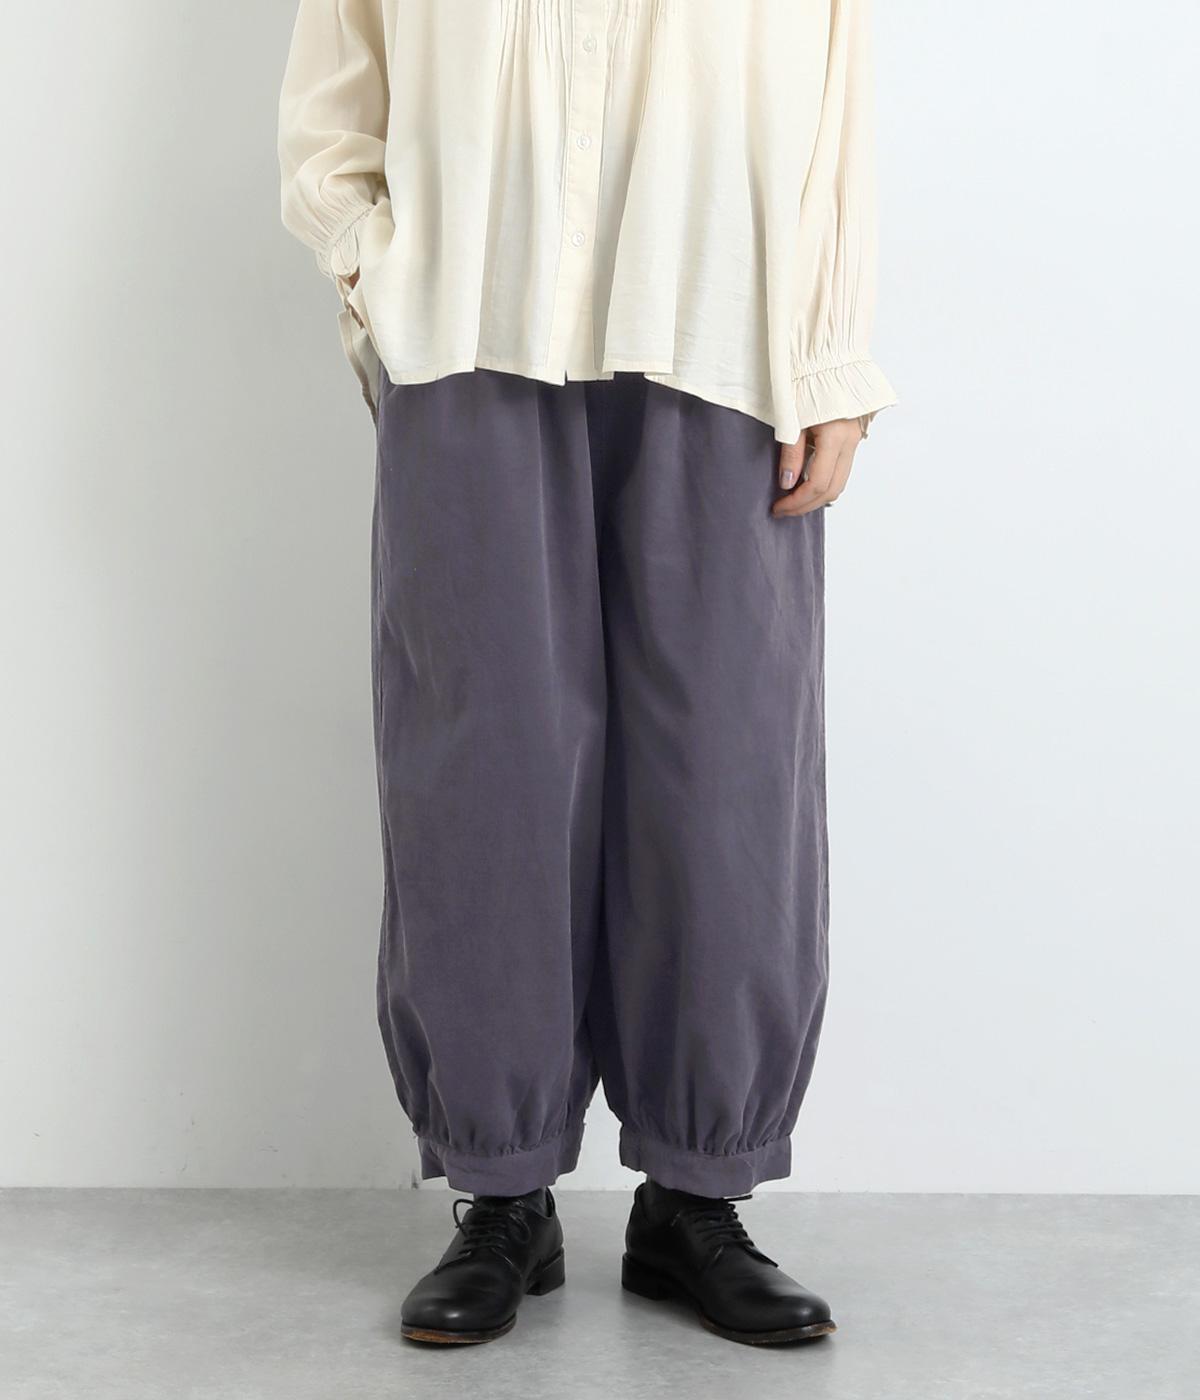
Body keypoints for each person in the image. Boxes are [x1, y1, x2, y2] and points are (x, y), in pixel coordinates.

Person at [278, 0, 896, 1348]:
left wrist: (831, 350)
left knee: (726, 769)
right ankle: (499, 1190)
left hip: (726, 324)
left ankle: (700, 1192)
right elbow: (337, 85)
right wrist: (376, 269)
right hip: (468, 316)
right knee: (484, 764)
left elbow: (836, 93)